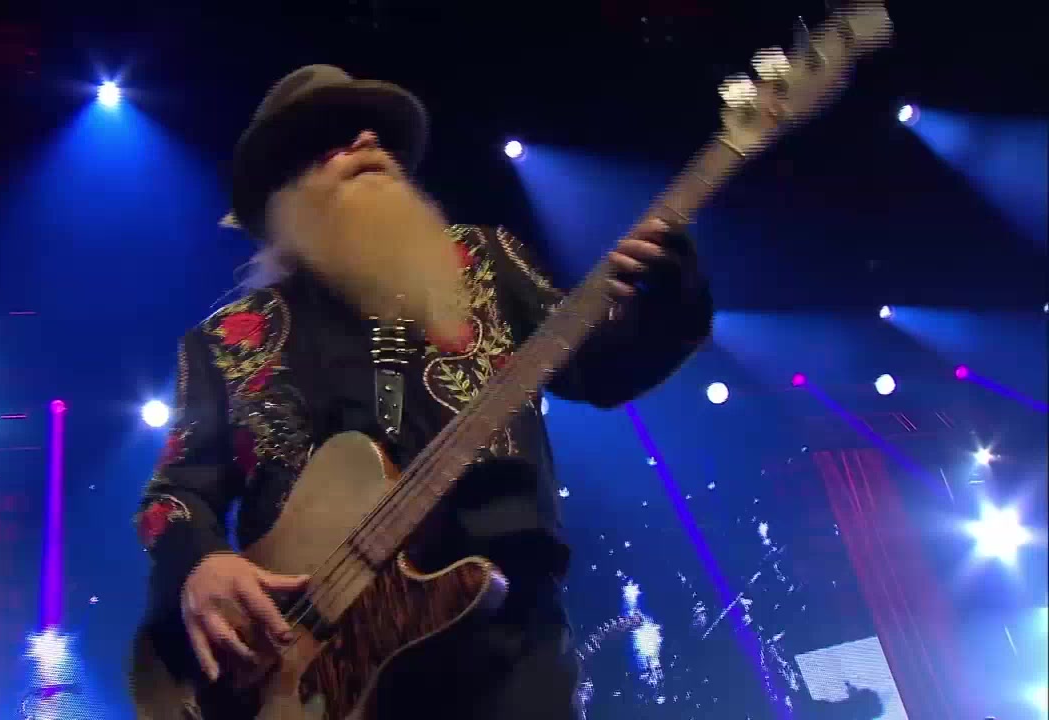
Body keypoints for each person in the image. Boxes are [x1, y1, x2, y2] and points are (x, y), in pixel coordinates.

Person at [129, 64, 713, 719]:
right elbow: (173, 496)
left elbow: (601, 370)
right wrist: (199, 567)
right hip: (312, 678)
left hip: (508, 649)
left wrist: (670, 298)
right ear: (282, 184)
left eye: (374, 132)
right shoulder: (226, 341)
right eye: (335, 135)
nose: (368, 140)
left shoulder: (484, 262)